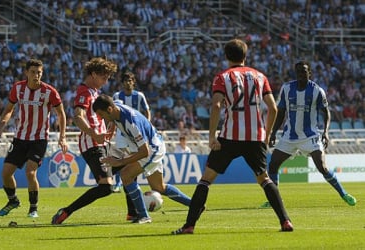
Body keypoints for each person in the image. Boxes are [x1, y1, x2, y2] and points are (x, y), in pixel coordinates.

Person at [172, 38, 293, 234]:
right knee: (264, 179)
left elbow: (217, 105)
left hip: (230, 136)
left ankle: (189, 226)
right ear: (245, 56)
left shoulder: (222, 77)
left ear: (227, 56)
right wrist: (267, 133)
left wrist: (212, 137)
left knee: (206, 180)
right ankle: (285, 221)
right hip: (255, 137)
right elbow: (272, 108)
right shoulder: (260, 76)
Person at [259, 61, 357, 208]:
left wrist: (325, 132)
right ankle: (274, 201)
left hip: (310, 136)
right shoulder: (286, 89)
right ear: (295, 73)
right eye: (298, 72)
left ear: (309, 73)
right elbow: (280, 113)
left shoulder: (317, 91)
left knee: (322, 167)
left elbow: (326, 113)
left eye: (304, 72)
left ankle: (344, 194)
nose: (301, 75)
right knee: (273, 165)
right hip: (289, 137)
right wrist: (273, 133)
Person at [93, 94, 191, 224]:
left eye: (101, 114)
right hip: (155, 144)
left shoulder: (131, 123)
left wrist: (120, 162)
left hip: (152, 149)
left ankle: (143, 215)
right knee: (159, 187)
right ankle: (195, 205)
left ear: (109, 110)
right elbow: (113, 107)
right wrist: (112, 127)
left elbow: (144, 152)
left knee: (126, 175)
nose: (101, 118)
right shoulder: (116, 107)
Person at [0, 59, 68, 218]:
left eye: (39, 72)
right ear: (26, 72)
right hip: (20, 137)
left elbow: (61, 114)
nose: (36, 75)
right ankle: (13, 201)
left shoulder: (50, 92)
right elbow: (9, 109)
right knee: (6, 173)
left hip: (39, 138)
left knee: (30, 172)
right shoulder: (18, 88)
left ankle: (33, 208)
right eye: (33, 72)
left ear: (42, 73)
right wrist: (1, 126)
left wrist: (62, 137)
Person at [51, 57, 118, 224]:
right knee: (106, 187)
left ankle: (135, 213)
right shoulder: (84, 92)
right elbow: (78, 117)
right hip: (92, 145)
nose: (105, 81)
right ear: (93, 74)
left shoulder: (95, 93)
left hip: (101, 144)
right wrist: (94, 134)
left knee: (130, 167)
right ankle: (66, 211)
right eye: (104, 77)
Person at [112, 71, 151, 222]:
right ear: (122, 83)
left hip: (135, 134)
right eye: (125, 80)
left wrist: (146, 125)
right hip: (122, 133)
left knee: (133, 161)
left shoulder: (139, 96)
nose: (128, 82)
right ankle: (117, 183)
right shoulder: (117, 96)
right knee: (120, 155)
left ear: (133, 82)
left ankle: (126, 184)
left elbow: (147, 111)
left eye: (130, 80)